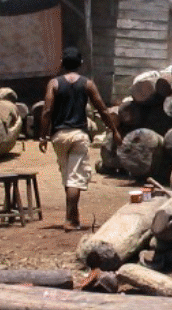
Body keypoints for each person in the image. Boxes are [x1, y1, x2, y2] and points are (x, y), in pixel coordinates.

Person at [39, 46, 120, 231]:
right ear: (81, 64)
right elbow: (102, 109)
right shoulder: (87, 84)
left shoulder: (54, 83)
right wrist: (114, 129)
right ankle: (70, 220)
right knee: (74, 179)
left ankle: (74, 216)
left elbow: (46, 111)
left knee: (68, 177)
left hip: (59, 136)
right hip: (78, 135)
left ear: (62, 64)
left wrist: (42, 135)